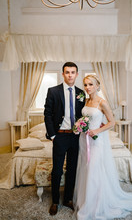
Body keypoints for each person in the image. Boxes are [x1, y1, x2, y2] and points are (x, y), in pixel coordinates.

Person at [73, 74, 132, 220]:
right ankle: (85, 201)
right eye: (86, 85)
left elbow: (112, 122)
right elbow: (85, 118)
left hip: (96, 141)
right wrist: (79, 126)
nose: (87, 87)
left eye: (90, 84)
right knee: (85, 169)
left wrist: (97, 130)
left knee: (94, 170)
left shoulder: (103, 102)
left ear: (97, 86)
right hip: (84, 140)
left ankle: (96, 205)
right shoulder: (86, 100)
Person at [44, 62, 85, 215]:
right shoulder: (53, 91)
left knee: (72, 169)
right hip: (59, 136)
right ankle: (55, 201)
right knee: (57, 171)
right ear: (63, 74)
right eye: (67, 72)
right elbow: (47, 114)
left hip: (75, 137)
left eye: (73, 72)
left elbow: (83, 114)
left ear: (77, 74)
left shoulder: (81, 93)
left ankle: (67, 199)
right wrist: (53, 135)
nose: (70, 75)